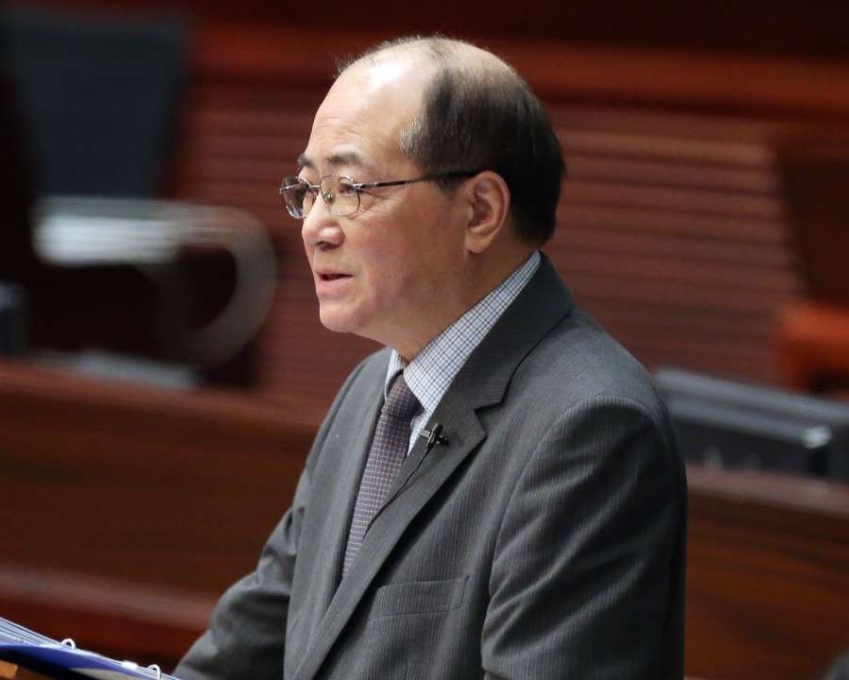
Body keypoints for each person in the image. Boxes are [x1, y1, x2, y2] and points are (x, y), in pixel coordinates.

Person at [174, 36, 686, 679]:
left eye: (350, 188)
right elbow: (249, 650)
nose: (315, 226)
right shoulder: (372, 391)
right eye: (309, 190)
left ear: (480, 211)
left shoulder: (590, 427)